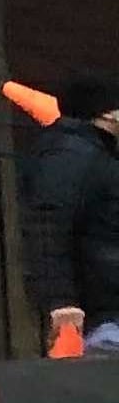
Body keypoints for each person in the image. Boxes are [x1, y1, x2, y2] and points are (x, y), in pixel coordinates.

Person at [22, 73, 119, 354]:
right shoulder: (74, 156)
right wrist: (60, 300)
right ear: (108, 115)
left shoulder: (93, 156)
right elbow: (47, 227)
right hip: (106, 313)